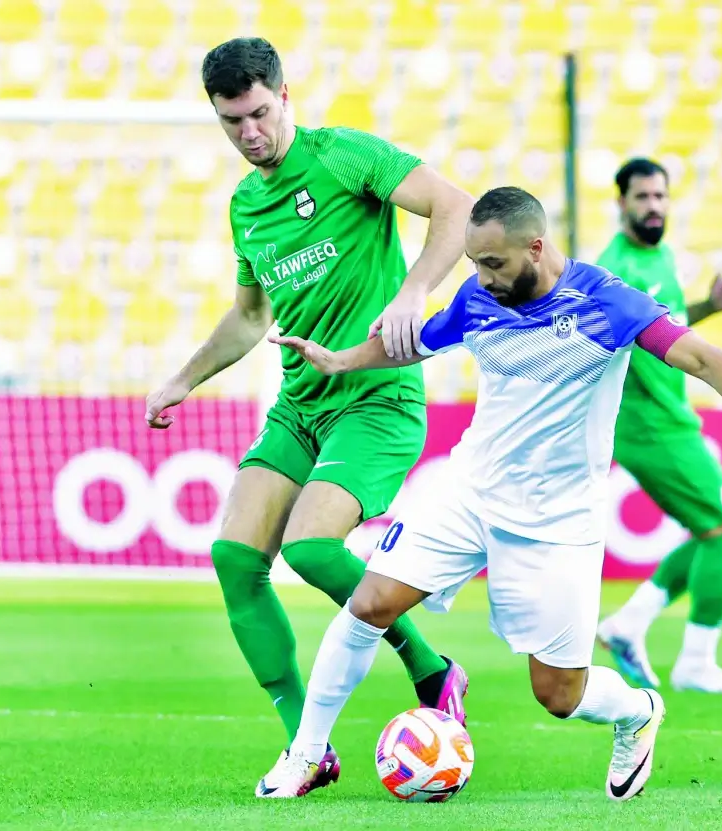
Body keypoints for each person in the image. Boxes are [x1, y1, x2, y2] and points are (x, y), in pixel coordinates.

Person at [255, 186, 722, 800]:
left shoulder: (607, 302)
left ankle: (637, 712)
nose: (482, 277)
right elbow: (417, 341)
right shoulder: (479, 297)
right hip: (469, 491)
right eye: (475, 262)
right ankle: (306, 754)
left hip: (557, 521)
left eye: (494, 263)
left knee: (559, 695)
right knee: (369, 605)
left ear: (536, 248)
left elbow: (702, 358)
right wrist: (341, 361)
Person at [142, 37, 474, 792]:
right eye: (232, 122)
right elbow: (249, 316)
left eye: (260, 113)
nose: (249, 132)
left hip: (377, 399)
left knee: (312, 548)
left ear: (285, 96)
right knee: (235, 559)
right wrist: (182, 380)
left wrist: (414, 291)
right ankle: (306, 745)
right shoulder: (245, 206)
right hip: (300, 406)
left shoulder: (343, 157)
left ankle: (431, 667)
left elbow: (456, 207)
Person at [594, 157, 722, 697]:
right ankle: (696, 662)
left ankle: (627, 625)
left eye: (660, 196)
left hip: (669, 418)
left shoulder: (658, 256)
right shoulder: (616, 269)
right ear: (620, 202)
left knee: (713, 532)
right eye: (642, 197)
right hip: (651, 425)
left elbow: (665, 329)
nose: (653, 206)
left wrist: (710, 305)